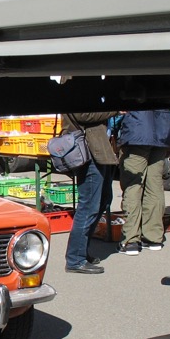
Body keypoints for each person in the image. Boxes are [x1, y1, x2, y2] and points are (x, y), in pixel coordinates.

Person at [116, 109, 170, 254]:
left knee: (133, 186)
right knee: (154, 185)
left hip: (137, 129)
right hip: (163, 129)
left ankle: (131, 240)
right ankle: (153, 237)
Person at [62, 112, 120, 274]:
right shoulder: (76, 87)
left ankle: (81, 251)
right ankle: (75, 259)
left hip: (97, 149)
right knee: (89, 206)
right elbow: (84, 115)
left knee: (103, 200)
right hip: (88, 151)